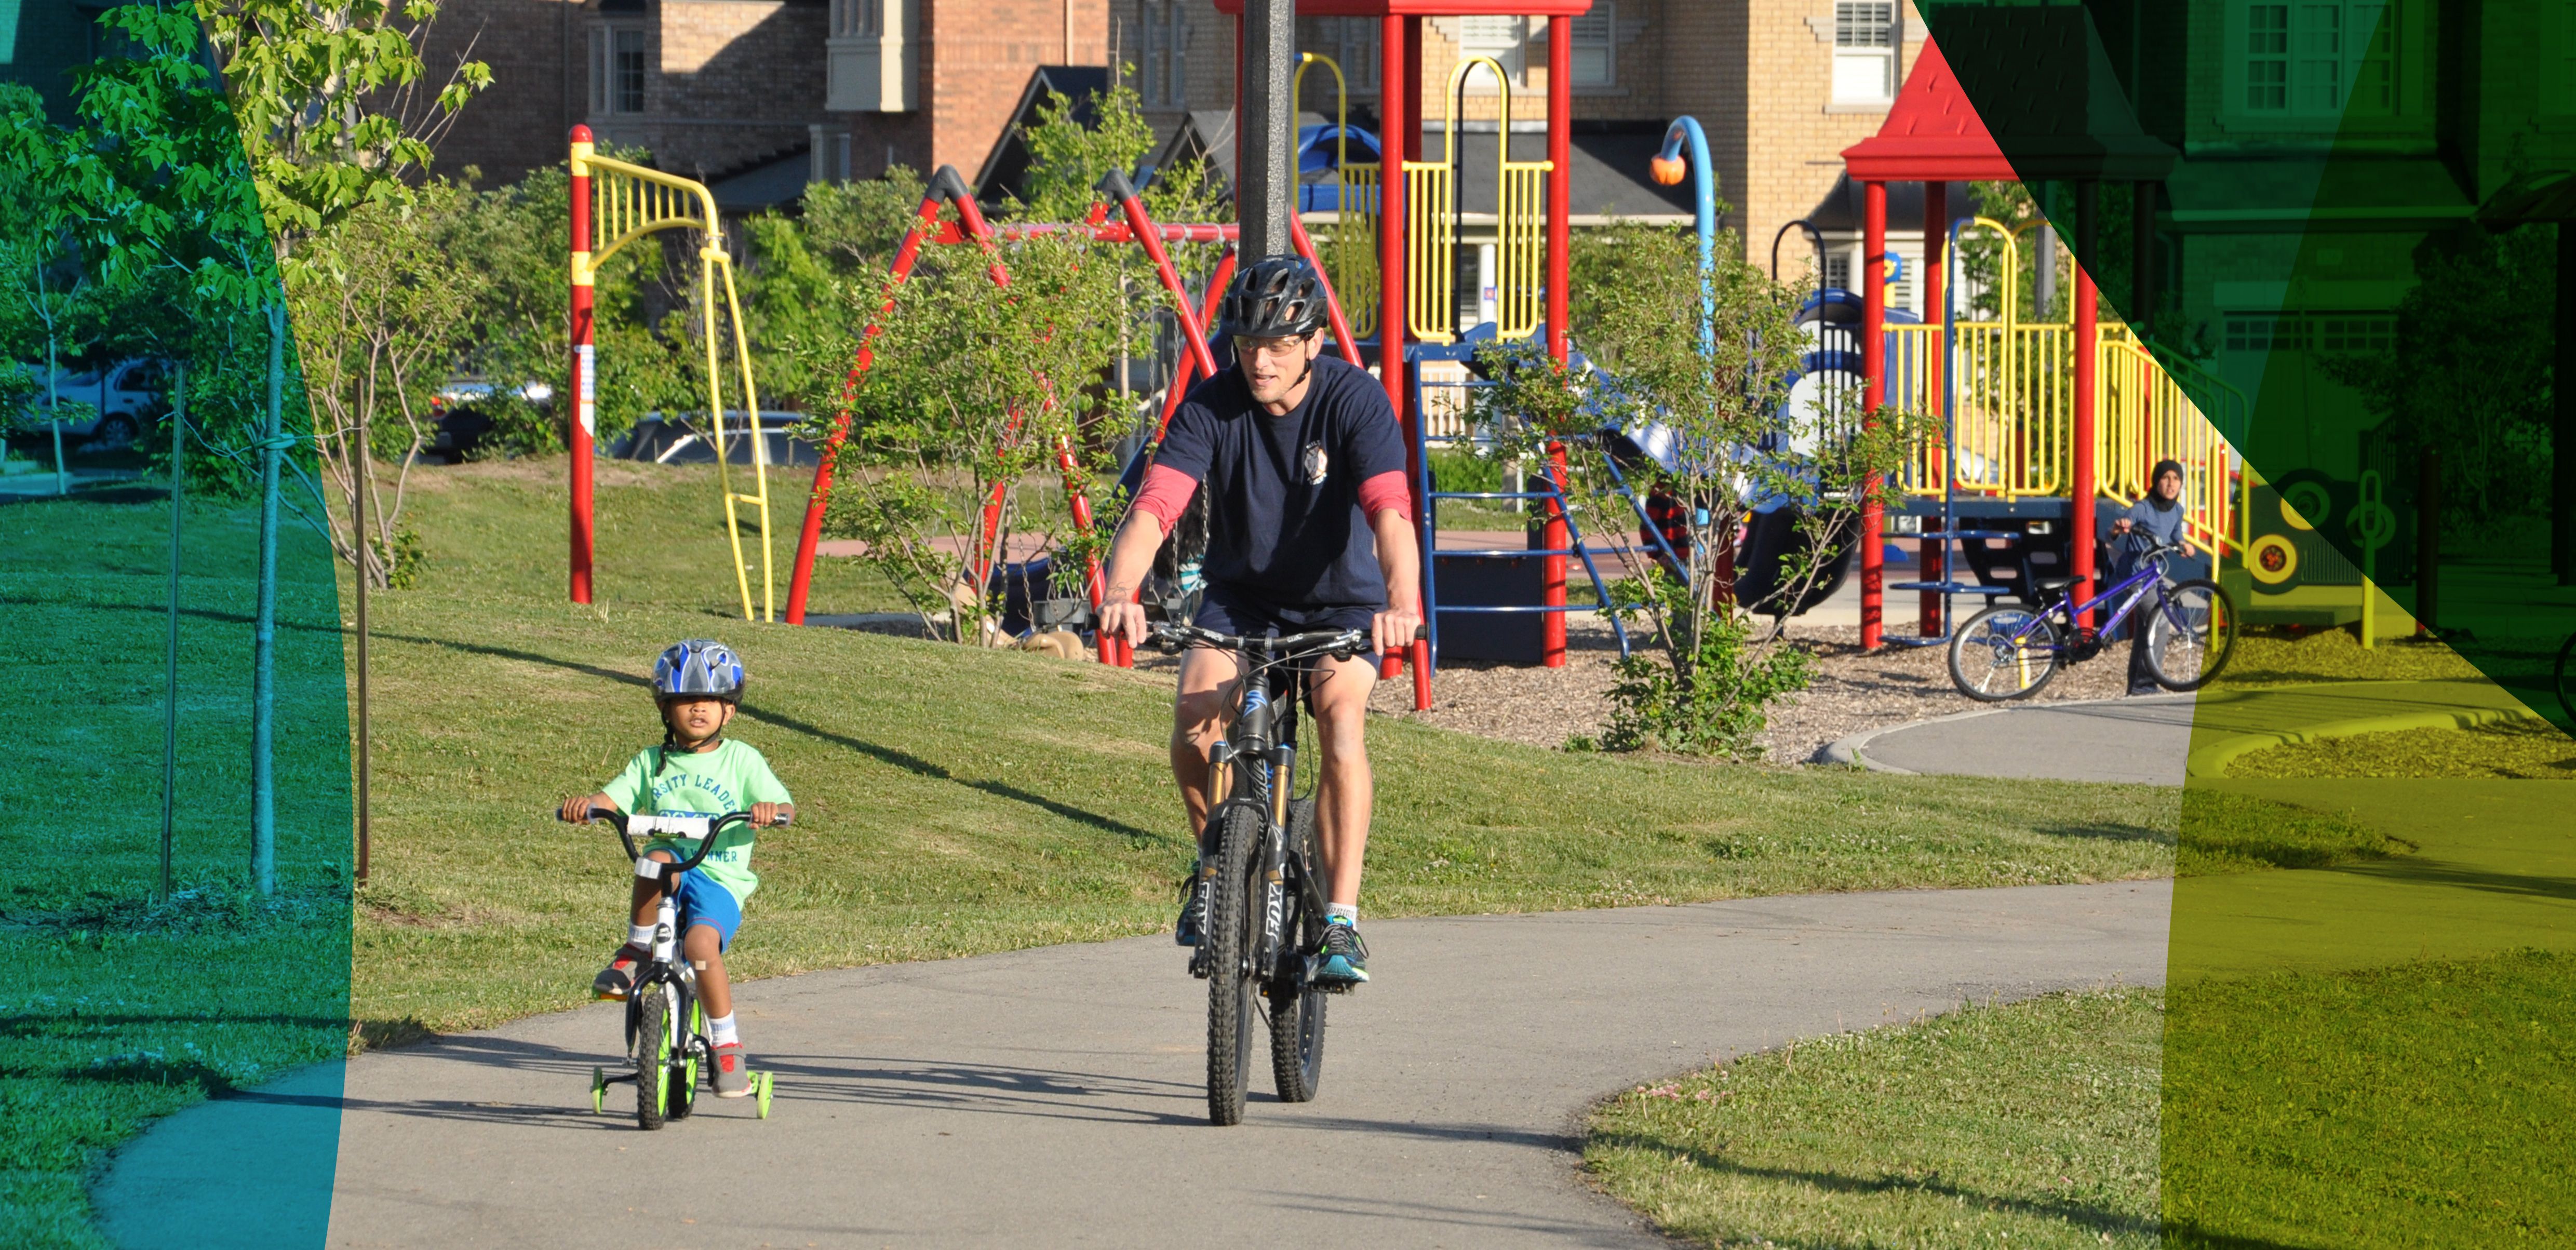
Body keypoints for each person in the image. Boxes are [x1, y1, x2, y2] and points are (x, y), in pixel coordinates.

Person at [1096, 256, 1423, 987]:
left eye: (1277, 344)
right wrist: (1122, 589)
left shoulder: (1355, 401)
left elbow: (1390, 514)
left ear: (1312, 343)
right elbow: (1156, 506)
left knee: (1340, 715)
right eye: (1248, 344)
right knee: (1192, 719)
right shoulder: (1213, 405)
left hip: (1340, 603)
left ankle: (1340, 918)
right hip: (1241, 598)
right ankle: (1213, 866)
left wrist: (1403, 604)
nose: (1260, 360)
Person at [559, 640, 793, 1097]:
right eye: (685, 700)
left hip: (720, 880)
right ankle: (636, 951)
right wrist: (587, 806)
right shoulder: (652, 762)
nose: (697, 709)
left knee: (702, 946)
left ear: (729, 710)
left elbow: (785, 803)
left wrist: (771, 809)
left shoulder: (742, 759)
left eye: (709, 700)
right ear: (666, 710)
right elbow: (614, 798)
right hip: (670, 872)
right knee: (656, 858)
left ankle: (727, 1044)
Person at [2109, 460, 2195, 696]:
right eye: (2165, 478)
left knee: (2147, 627)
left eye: (2176, 479)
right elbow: (2115, 531)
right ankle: (2145, 685)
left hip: (2153, 575)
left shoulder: (2178, 510)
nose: (2171, 484)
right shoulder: (2143, 508)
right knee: (2160, 620)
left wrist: (2183, 545)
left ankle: (2138, 686)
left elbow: (2175, 533)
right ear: (2156, 481)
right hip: (2134, 573)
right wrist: (2121, 527)